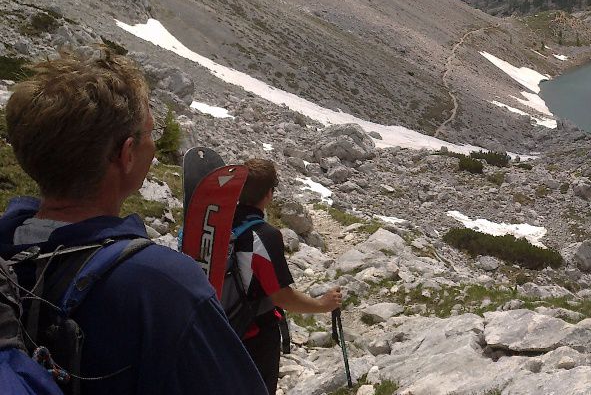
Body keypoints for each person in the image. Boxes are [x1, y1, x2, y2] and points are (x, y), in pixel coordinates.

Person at [0, 50, 268, 395]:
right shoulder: (163, 285)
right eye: (149, 134)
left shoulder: (8, 248)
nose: (154, 146)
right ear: (127, 155)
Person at [232, 158, 343, 395]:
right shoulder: (264, 236)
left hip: (218, 326)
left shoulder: (219, 224)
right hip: (254, 335)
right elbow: (282, 297)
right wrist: (322, 304)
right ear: (269, 193)